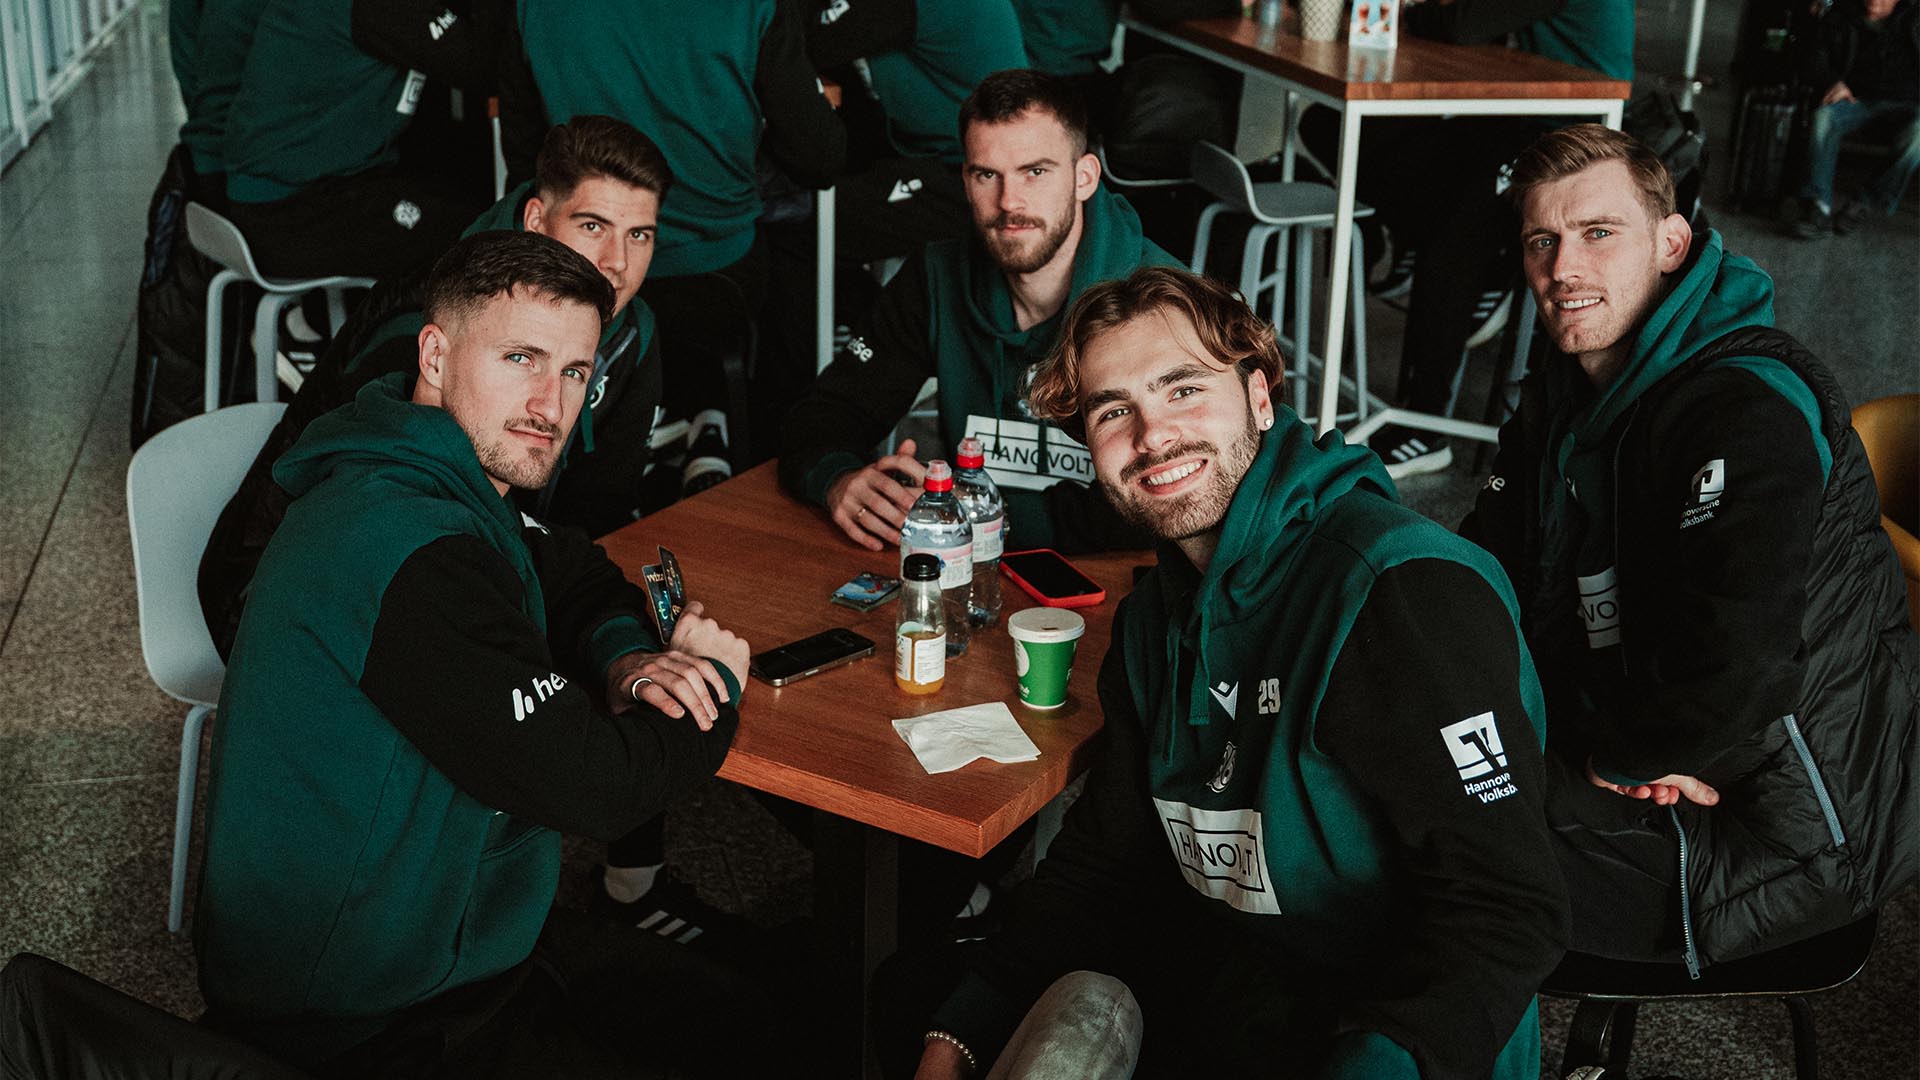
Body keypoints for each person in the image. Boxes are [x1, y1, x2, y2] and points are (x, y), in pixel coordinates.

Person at [886, 266, 1567, 1079]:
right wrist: (960, 1034)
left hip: (1398, 1049)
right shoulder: (1150, 624)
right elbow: (1107, 864)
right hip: (1237, 1015)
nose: (1153, 435)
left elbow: (1507, 909)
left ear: (1259, 397)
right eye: (1114, 411)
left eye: (1183, 389)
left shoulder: (1398, 593)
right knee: (910, 999)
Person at [193, 230, 776, 1075]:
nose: (550, 403)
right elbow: (594, 784)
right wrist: (712, 687)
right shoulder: (403, 543)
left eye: (574, 372)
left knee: (755, 1018)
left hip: (453, 933)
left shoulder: (431, 469)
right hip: (359, 1014)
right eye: (520, 358)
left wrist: (627, 658)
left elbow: (569, 566)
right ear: (435, 354)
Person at [1462, 124, 1918, 969]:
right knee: (1389, 757)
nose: (1564, 268)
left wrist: (1621, 757)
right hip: (1648, 742)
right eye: (1542, 241)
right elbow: (1482, 570)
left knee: (1411, 845)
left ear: (1671, 244)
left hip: (1785, 834)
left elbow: (1736, 669)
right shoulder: (1566, 397)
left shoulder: (1745, 410)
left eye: (1599, 233)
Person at [781, 68, 1181, 555]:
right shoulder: (938, 277)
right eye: (986, 175)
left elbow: (1172, 495)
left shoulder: (1162, 302)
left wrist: (980, 520)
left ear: (1084, 178)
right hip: (970, 566)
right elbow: (827, 413)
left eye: (1035, 172)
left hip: (1117, 573)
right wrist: (838, 480)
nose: (1009, 202)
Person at [504, 0, 846, 494]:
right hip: (717, 275)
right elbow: (820, 156)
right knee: (791, 242)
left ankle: (672, 426)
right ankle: (717, 422)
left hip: (585, 277)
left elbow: (525, 166)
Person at [1298, 0, 1634, 479]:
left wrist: (1411, 12)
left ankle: (1425, 425)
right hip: (1513, 113)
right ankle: (1431, 249)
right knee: (1331, 124)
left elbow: (1465, 23)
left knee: (1456, 231)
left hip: (1572, 135)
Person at [219, 0, 506, 279]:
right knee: (484, 236)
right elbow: (486, 66)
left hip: (272, 193)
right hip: (291, 210)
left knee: (460, 196)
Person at [1792, 0, 1919, 238]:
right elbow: (1813, 59)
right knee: (1824, 118)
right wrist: (1833, 81)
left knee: (1918, 134)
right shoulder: (1841, 15)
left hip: (1906, 105)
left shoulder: (1914, 20)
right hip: (1856, 100)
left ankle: (1864, 202)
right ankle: (1817, 205)